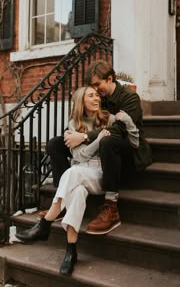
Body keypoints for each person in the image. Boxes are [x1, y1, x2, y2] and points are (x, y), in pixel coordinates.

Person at [15, 86, 139, 276]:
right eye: (91, 95)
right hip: (82, 170)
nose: (96, 98)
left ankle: (45, 224)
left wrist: (120, 126)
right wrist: (96, 140)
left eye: (97, 95)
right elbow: (80, 156)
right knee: (78, 190)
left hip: (102, 174)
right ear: (82, 101)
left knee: (72, 173)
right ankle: (71, 250)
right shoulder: (73, 124)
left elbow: (130, 143)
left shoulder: (110, 118)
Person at [58, 60, 152, 235]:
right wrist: (70, 133)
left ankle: (111, 207)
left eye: (97, 85)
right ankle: (62, 201)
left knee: (107, 141)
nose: (95, 91)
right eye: (92, 87)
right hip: (100, 149)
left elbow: (119, 130)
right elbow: (85, 118)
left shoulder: (130, 98)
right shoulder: (100, 98)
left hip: (129, 150)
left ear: (110, 79)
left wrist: (85, 136)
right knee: (55, 143)